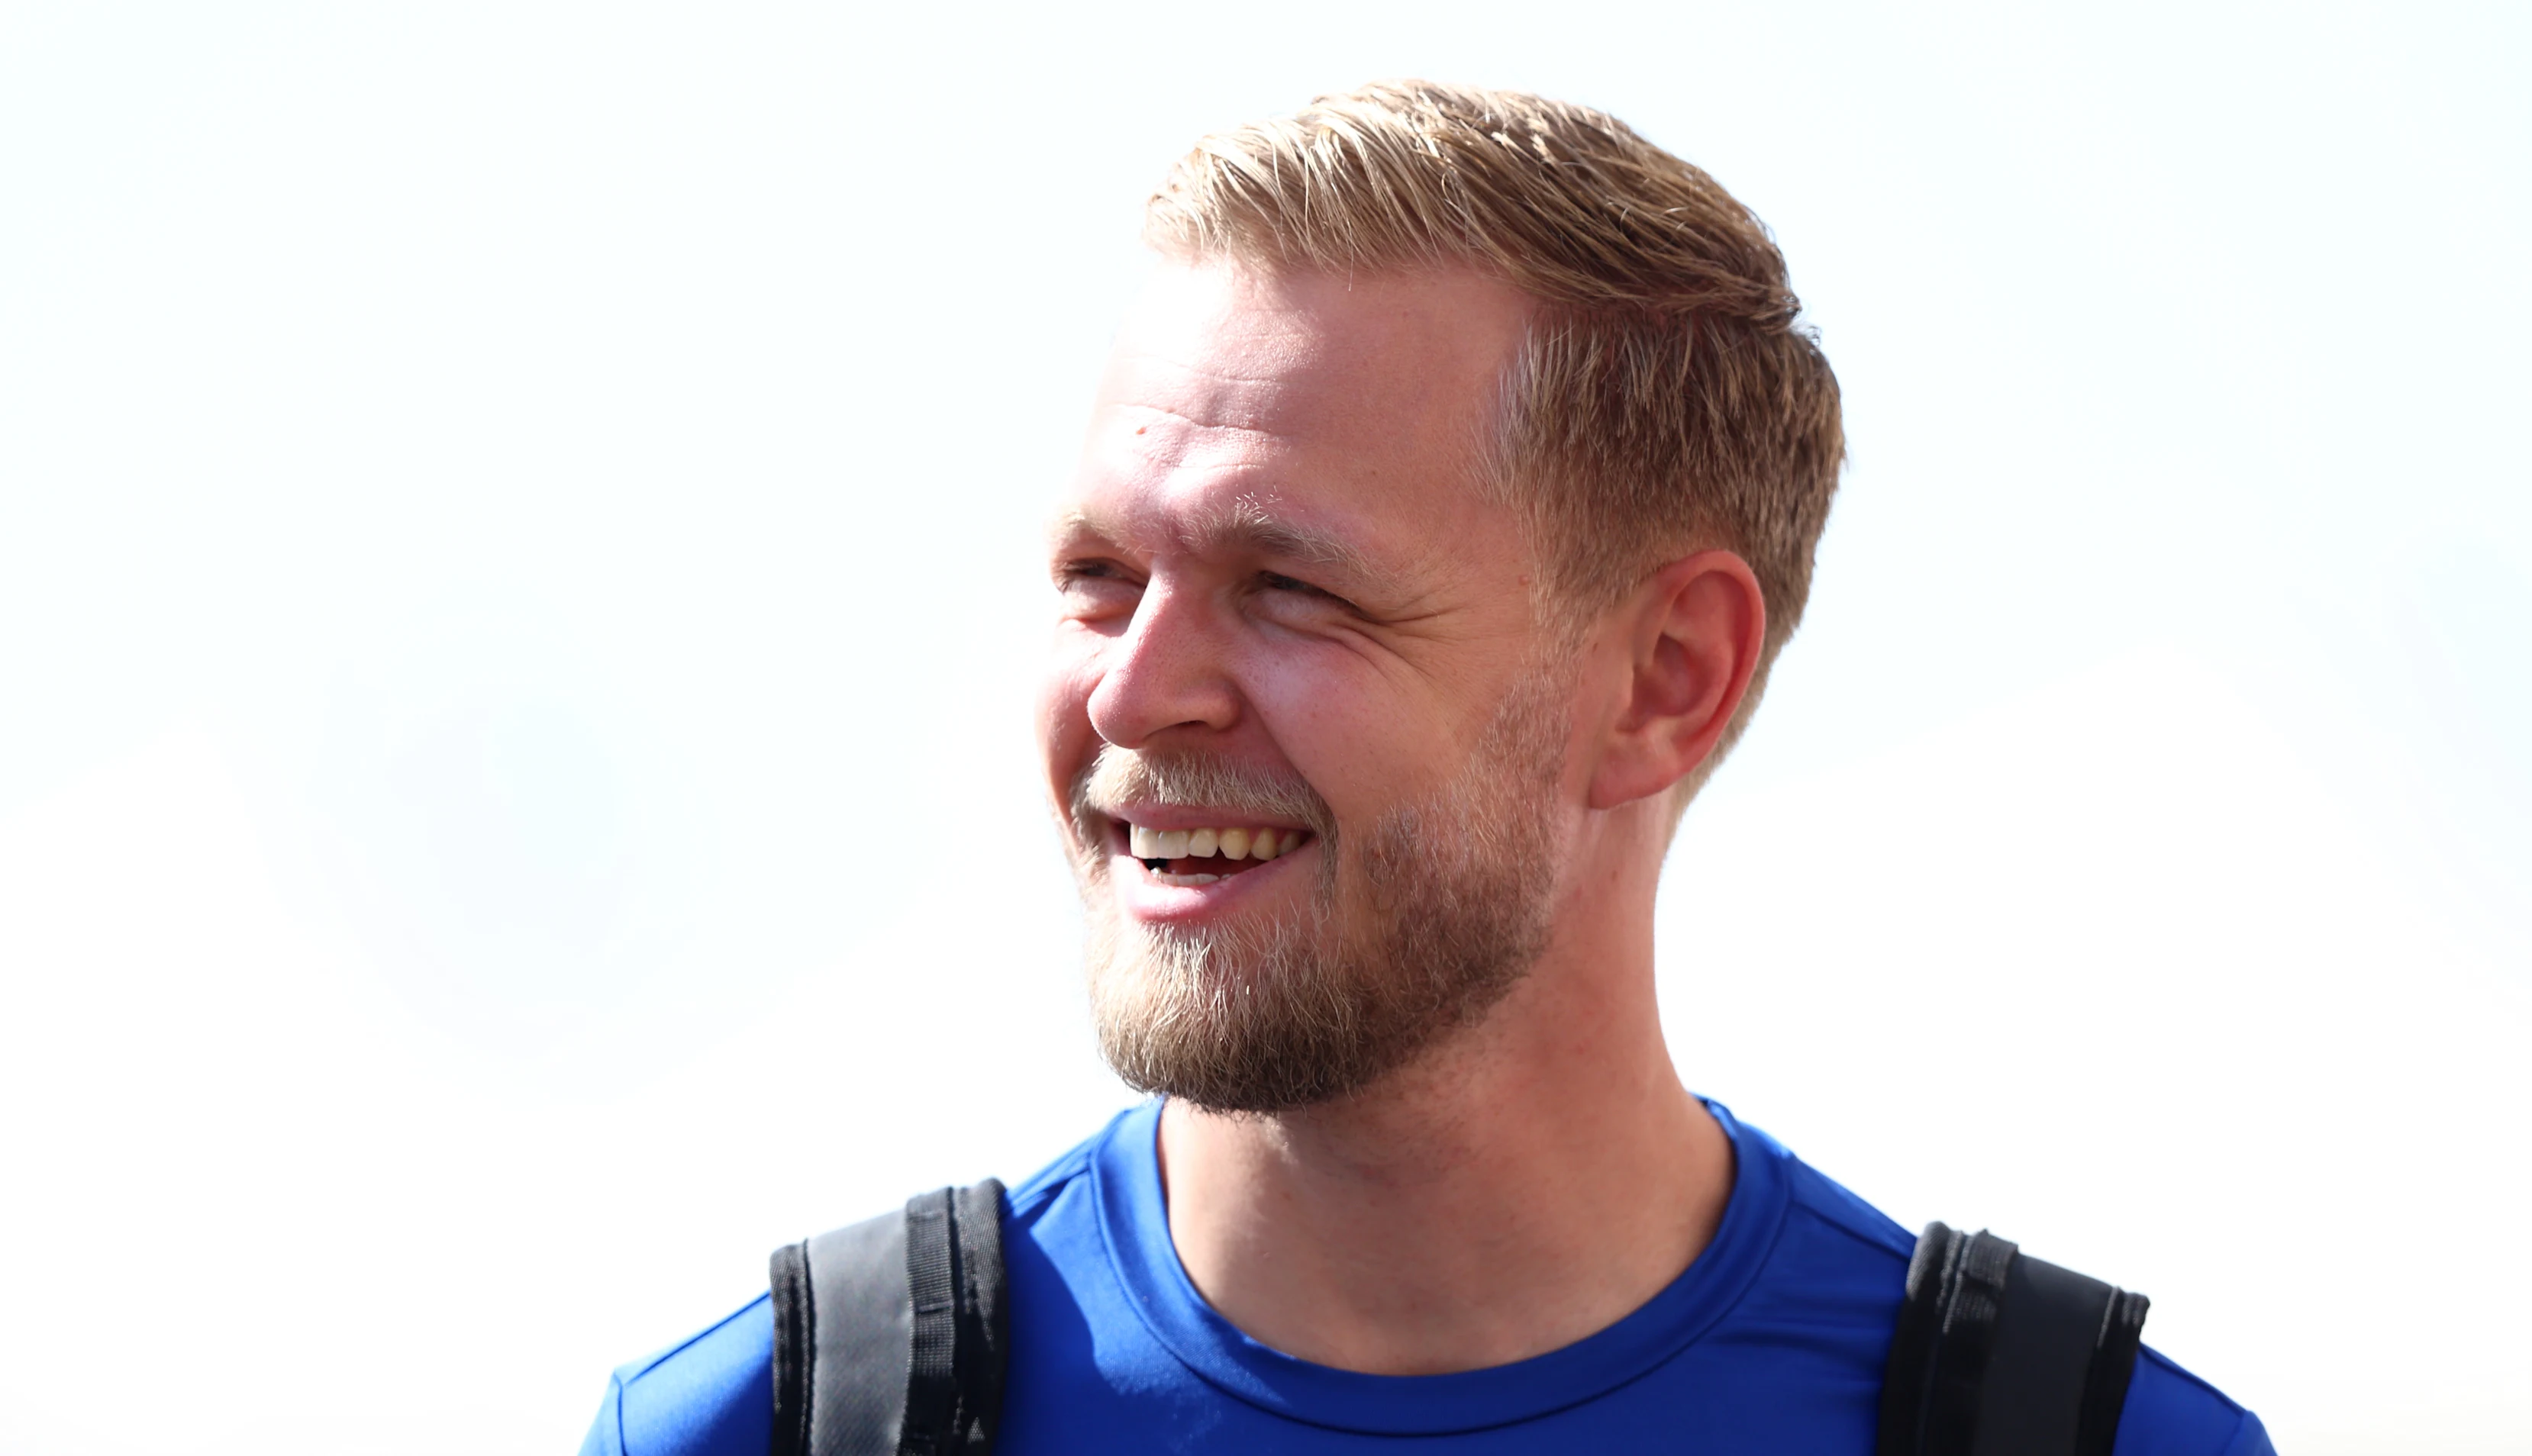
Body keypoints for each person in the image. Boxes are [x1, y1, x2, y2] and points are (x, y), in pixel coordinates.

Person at [580, 81, 2272, 1454]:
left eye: (1290, 589)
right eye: (1099, 578)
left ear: (1662, 681)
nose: (1136, 694)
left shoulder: (2085, 1442)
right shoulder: (763, 1429)